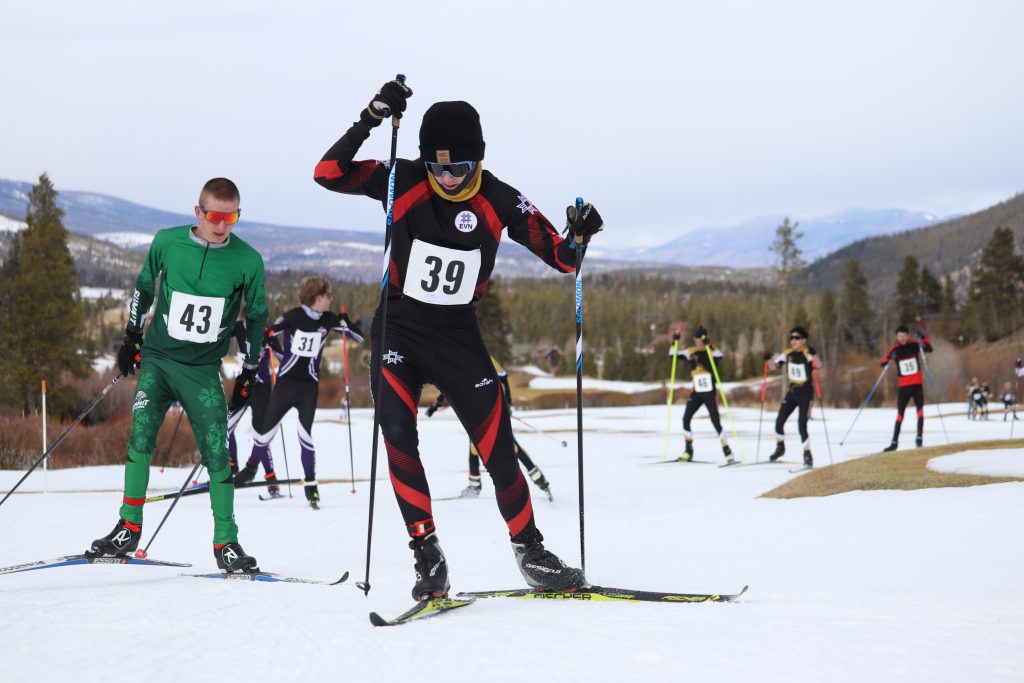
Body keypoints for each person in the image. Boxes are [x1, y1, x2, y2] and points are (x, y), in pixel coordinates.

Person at [314, 78, 603, 599]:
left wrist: (580, 235)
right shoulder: (402, 179)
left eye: (459, 168)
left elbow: (563, 259)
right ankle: (427, 555)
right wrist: (371, 117)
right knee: (398, 435)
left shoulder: (500, 198)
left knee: (497, 445)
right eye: (437, 167)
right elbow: (327, 173)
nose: (447, 178)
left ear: (479, 160)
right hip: (399, 328)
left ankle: (531, 551)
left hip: (457, 335)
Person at [90, 178, 267, 573]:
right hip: (158, 359)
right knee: (140, 437)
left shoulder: (247, 260)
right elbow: (143, 286)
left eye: (232, 218)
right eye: (215, 216)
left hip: (202, 370)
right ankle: (128, 528)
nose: (221, 226)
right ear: (198, 212)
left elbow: (257, 317)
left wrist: (249, 370)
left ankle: (227, 543)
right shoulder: (167, 242)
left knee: (217, 453)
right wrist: (132, 336)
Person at [235, 276, 363, 510]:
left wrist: (347, 323)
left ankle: (310, 484)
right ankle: (251, 469)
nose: (331, 299)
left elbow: (359, 337)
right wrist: (261, 337)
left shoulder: (328, 319)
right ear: (317, 297)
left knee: (305, 435)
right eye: (328, 295)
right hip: (286, 385)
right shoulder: (293, 316)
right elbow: (269, 331)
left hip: (308, 387)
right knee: (264, 435)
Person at [425, 356, 552, 500]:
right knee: (477, 445)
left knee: (508, 445)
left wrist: (508, 403)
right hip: (476, 412)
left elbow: (503, 377)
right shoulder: (460, 360)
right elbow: (449, 386)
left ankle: (537, 479)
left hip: (493, 410)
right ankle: (476, 485)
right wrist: (436, 405)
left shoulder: (483, 355)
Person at [229, 319, 280, 496]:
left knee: (260, 436)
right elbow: (220, 334)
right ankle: (232, 468)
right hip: (243, 386)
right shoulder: (237, 327)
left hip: (262, 389)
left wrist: (273, 343)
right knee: (225, 426)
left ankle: (271, 478)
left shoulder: (266, 330)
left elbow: (282, 355)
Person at [675, 326, 733, 464]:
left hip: (708, 393)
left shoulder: (711, 351)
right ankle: (688, 450)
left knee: (715, 421)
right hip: (696, 392)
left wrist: (710, 345)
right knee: (685, 418)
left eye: (701, 340)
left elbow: (720, 355)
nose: (698, 343)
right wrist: (674, 342)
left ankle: (727, 451)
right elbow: (673, 355)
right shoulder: (691, 351)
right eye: (696, 340)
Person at [766, 326, 817, 468]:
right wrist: (768, 359)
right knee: (779, 421)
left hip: (806, 393)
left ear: (804, 340)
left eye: (797, 338)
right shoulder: (787, 353)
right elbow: (774, 367)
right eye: (791, 338)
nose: (793, 341)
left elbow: (819, 364)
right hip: (792, 392)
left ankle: (807, 455)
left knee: (801, 425)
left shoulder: (807, 354)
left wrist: (815, 354)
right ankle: (780, 448)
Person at [880, 325, 933, 451]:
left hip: (916, 384)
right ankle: (894, 443)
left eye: (904, 335)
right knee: (900, 415)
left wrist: (923, 338)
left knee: (920, 411)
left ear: (908, 335)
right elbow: (883, 363)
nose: (902, 338)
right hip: (904, 387)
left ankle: (919, 439)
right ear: (896, 337)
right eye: (900, 336)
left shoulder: (914, 345)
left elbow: (929, 349)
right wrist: (890, 357)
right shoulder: (895, 349)